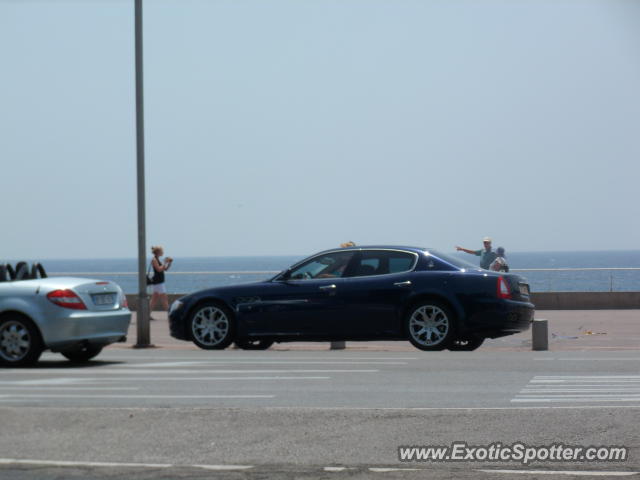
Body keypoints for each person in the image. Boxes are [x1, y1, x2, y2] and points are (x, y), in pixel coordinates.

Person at [149, 245, 173, 314]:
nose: (163, 252)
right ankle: (170, 315)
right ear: (158, 252)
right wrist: (165, 262)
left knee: (154, 300)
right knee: (164, 299)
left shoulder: (157, 259)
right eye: (161, 251)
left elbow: (165, 269)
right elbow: (159, 269)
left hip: (158, 282)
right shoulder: (154, 260)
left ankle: (147, 315)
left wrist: (169, 263)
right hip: (159, 282)